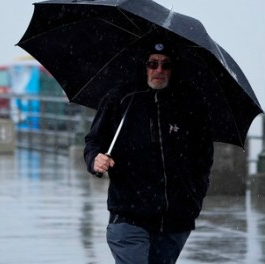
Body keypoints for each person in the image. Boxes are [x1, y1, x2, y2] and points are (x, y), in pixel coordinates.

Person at [84, 37, 214, 264]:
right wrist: (95, 159)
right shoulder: (121, 99)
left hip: (175, 220)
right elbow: (94, 141)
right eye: (152, 64)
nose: (159, 70)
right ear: (143, 66)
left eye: (166, 64)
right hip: (128, 216)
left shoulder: (190, 104)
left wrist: (194, 198)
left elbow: (203, 157)